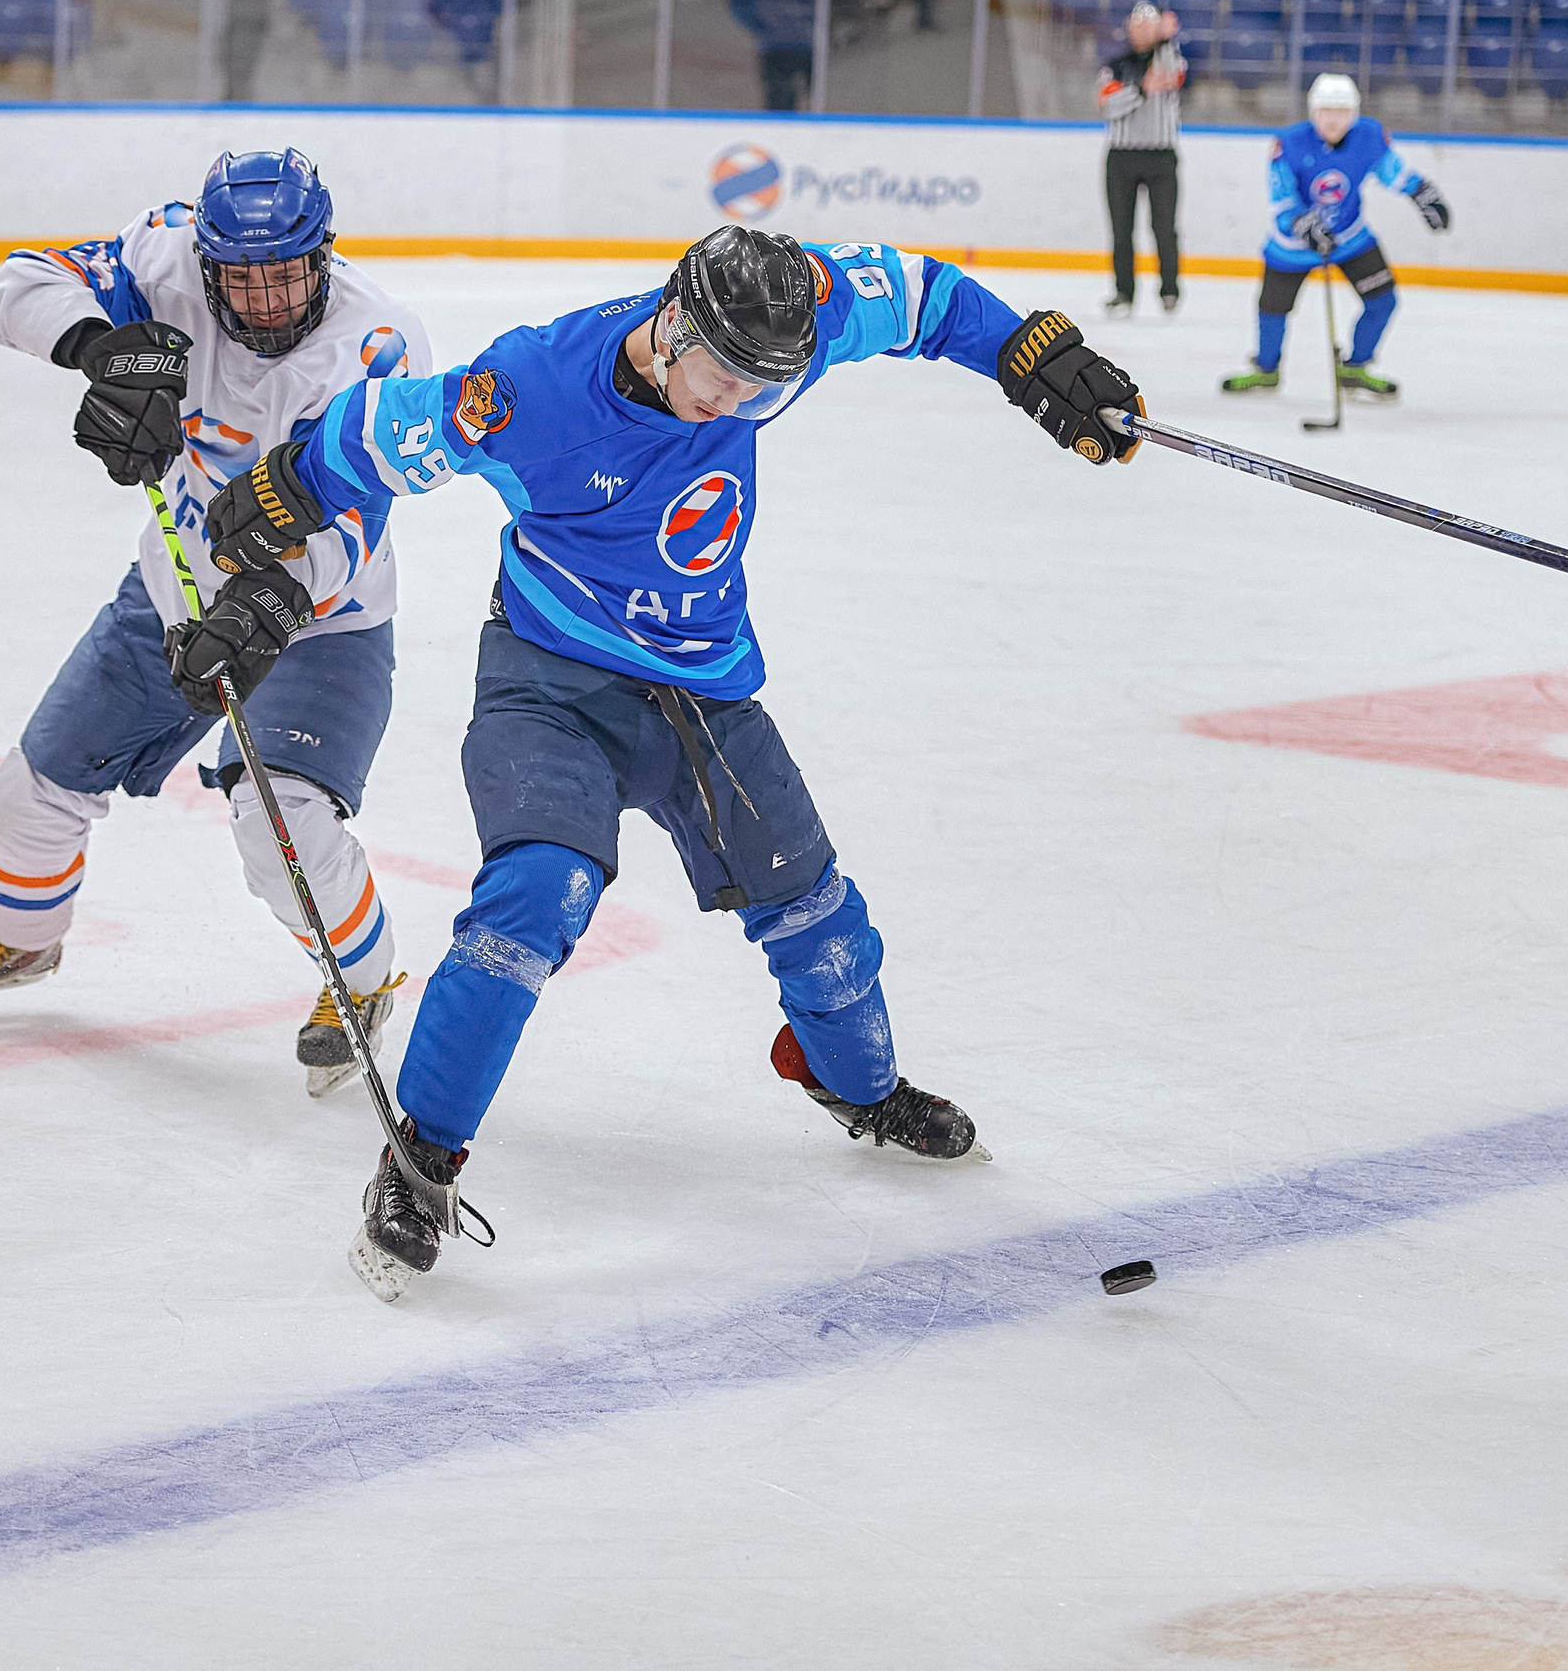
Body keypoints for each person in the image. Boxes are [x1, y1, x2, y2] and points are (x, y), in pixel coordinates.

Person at [193, 226, 1148, 1295]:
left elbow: (925, 296)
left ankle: (860, 1089)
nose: (735, 403)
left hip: (707, 693)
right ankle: (420, 1160)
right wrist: (289, 486)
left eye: (762, 387)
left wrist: (1034, 359)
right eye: (723, 377)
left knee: (820, 924)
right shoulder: (530, 390)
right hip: (552, 685)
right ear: (673, 321)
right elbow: (377, 434)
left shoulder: (791, 318)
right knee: (532, 900)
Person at [0, 149, 434, 1100]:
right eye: (242, 275)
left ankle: (362, 981)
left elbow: (359, 509)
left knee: (284, 832)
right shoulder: (163, 258)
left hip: (319, 621)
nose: (266, 298)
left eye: (288, 272)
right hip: (172, 594)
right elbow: (15, 284)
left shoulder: (379, 346)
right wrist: (98, 349)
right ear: (207, 259)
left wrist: (273, 599)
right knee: (25, 796)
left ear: (325, 254)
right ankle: (24, 941)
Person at [1221, 72, 1450, 402]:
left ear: (1354, 113)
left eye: (1342, 111)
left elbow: (1393, 172)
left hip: (1349, 237)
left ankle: (1355, 368)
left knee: (1383, 301)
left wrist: (1423, 194)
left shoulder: (1369, 136)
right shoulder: (1288, 143)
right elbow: (1282, 199)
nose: (1333, 119)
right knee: (1272, 309)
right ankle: (1266, 369)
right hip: (1292, 247)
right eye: (1326, 111)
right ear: (1313, 111)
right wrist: (1304, 224)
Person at [1097, 0, 1185, 320]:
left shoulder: (1170, 57)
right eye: (1138, 25)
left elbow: (1169, 76)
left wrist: (1165, 41)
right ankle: (1124, 293)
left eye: (1151, 26)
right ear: (1129, 29)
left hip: (1161, 155)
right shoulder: (1115, 65)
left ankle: (1170, 289)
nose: (1143, 31)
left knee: (1164, 226)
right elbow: (1109, 105)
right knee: (1121, 229)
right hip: (1121, 156)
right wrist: (1141, 90)